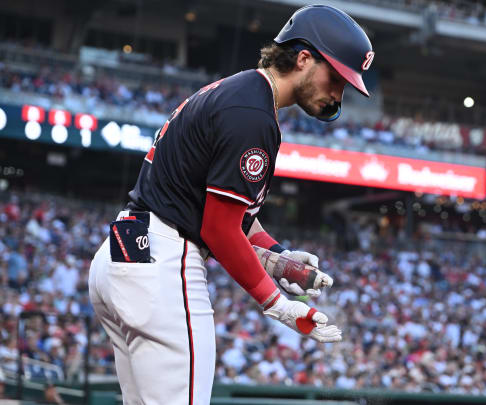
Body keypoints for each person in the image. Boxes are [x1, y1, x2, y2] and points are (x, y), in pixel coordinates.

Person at [88, 5, 374, 405]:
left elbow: (233, 219)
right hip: (163, 262)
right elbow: (218, 229)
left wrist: (277, 257)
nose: (339, 92)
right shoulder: (252, 114)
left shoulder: (241, 92)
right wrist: (277, 304)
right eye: (337, 76)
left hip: (128, 251)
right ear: (304, 58)